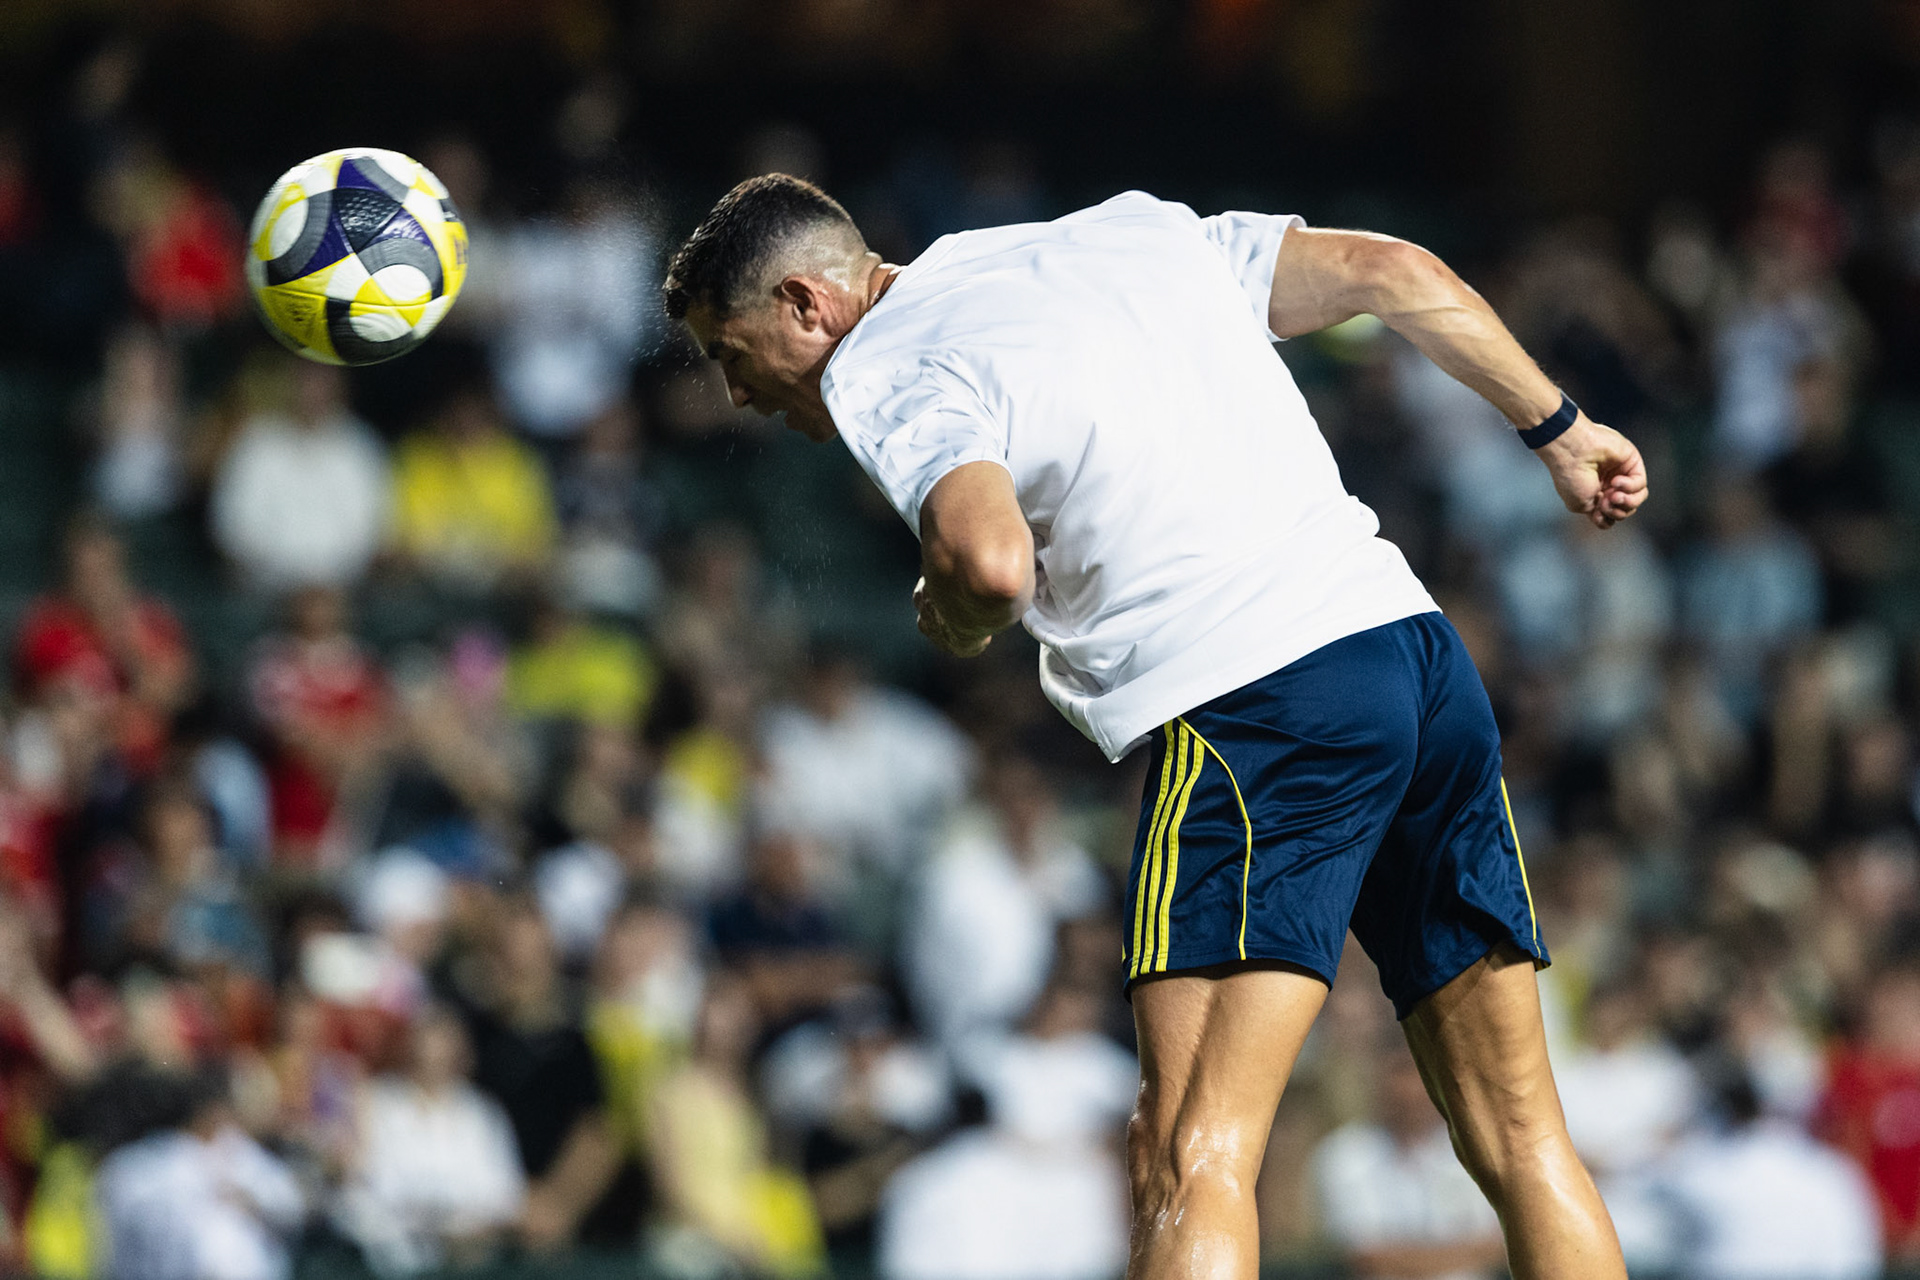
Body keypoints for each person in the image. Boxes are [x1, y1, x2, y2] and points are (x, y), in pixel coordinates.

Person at [665, 175, 1649, 1278]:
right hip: (1414, 655)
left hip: (1262, 709)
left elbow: (990, 561)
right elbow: (1396, 272)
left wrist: (952, 607)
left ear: (808, 304)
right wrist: (1559, 428)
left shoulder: (886, 362)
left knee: (1193, 1153)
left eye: (731, 352)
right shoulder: (1128, 233)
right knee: (1522, 1136)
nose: (740, 394)